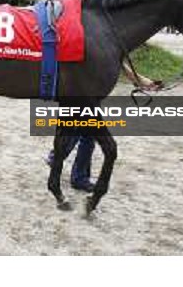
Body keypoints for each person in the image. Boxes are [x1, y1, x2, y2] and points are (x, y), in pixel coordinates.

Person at [44, 60, 162, 191]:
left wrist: (143, 81)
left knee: (86, 133)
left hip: (88, 91)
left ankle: (74, 171)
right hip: (84, 90)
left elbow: (120, 63)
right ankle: (70, 168)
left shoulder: (108, 45)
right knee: (85, 131)